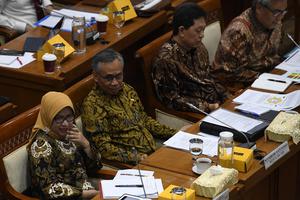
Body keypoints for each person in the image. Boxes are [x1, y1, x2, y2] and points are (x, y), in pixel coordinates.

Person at [81, 49, 177, 164]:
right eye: (108, 78)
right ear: (95, 77)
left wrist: (175, 133)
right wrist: (135, 157)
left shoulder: (127, 89)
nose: (115, 82)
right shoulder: (92, 106)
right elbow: (103, 147)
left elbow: (144, 120)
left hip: (154, 149)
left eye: (118, 76)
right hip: (131, 163)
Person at [152, 2, 228, 113]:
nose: (202, 35)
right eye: (198, 30)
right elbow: (172, 100)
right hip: (199, 113)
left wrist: (227, 96)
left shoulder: (199, 47)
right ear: (182, 31)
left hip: (217, 104)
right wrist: (208, 107)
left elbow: (209, 78)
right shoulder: (166, 60)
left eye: (203, 30)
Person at [28, 92, 101, 199]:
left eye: (69, 117)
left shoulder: (71, 131)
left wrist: (86, 145)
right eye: (58, 118)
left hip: (87, 187)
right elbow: (49, 189)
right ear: (48, 116)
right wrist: (87, 194)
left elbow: (95, 167)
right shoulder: (41, 146)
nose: (65, 124)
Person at [212, 0, 287, 94]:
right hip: (237, 88)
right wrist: (264, 77)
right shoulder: (238, 31)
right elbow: (227, 73)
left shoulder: (273, 21)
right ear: (259, 8)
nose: (280, 18)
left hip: (268, 77)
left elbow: (274, 54)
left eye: (283, 12)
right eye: (276, 12)